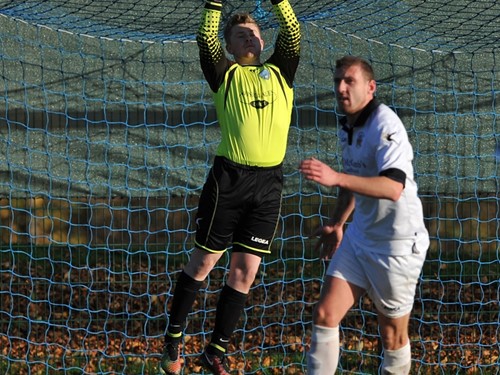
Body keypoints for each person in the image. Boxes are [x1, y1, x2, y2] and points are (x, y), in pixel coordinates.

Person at [160, 0, 300, 374]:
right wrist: (215, 4)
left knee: (245, 272)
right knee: (205, 262)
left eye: (254, 33)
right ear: (231, 47)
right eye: (241, 35)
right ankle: (173, 339)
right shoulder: (225, 74)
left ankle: (214, 352)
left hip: (269, 184)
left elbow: (294, 33)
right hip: (229, 180)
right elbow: (205, 37)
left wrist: (279, 2)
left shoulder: (281, 72)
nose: (250, 38)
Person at [299, 56, 429, 375]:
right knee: (326, 315)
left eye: (349, 81)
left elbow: (393, 187)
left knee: (392, 336)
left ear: (370, 87)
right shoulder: (348, 125)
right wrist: (338, 223)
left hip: (396, 246)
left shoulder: (385, 124)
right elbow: (352, 179)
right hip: (359, 237)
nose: (341, 88)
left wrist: (336, 178)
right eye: (337, 81)